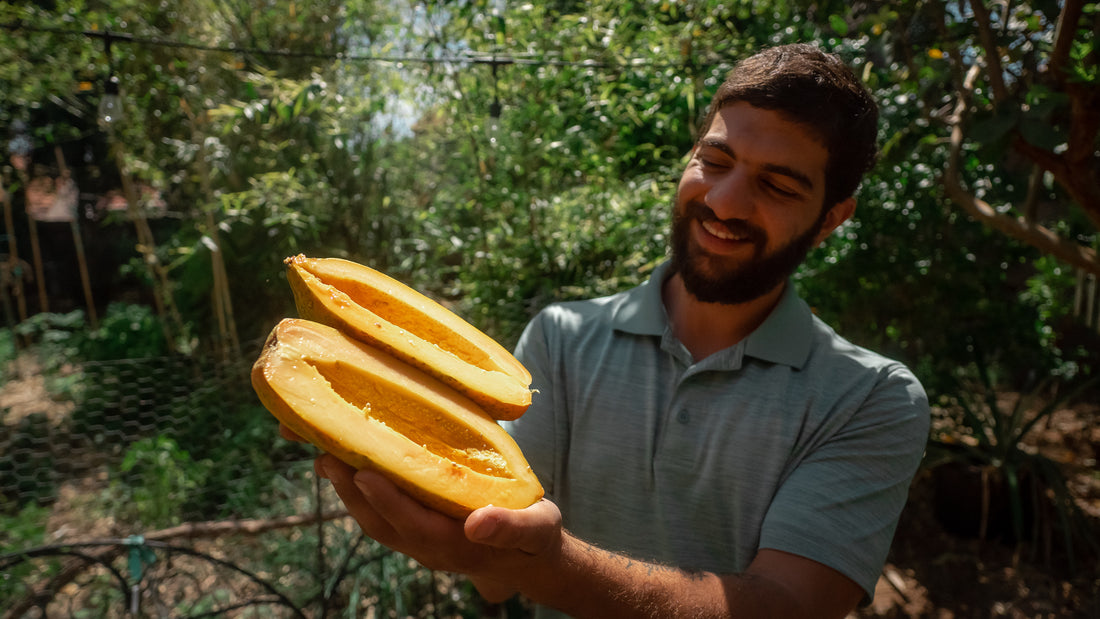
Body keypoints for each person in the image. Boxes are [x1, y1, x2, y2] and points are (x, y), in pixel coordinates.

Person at [307, 43, 930, 618]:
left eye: (776, 186)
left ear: (831, 219)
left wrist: (548, 565)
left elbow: (788, 607)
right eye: (714, 160)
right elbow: (493, 576)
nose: (725, 202)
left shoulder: (872, 398)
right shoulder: (559, 338)